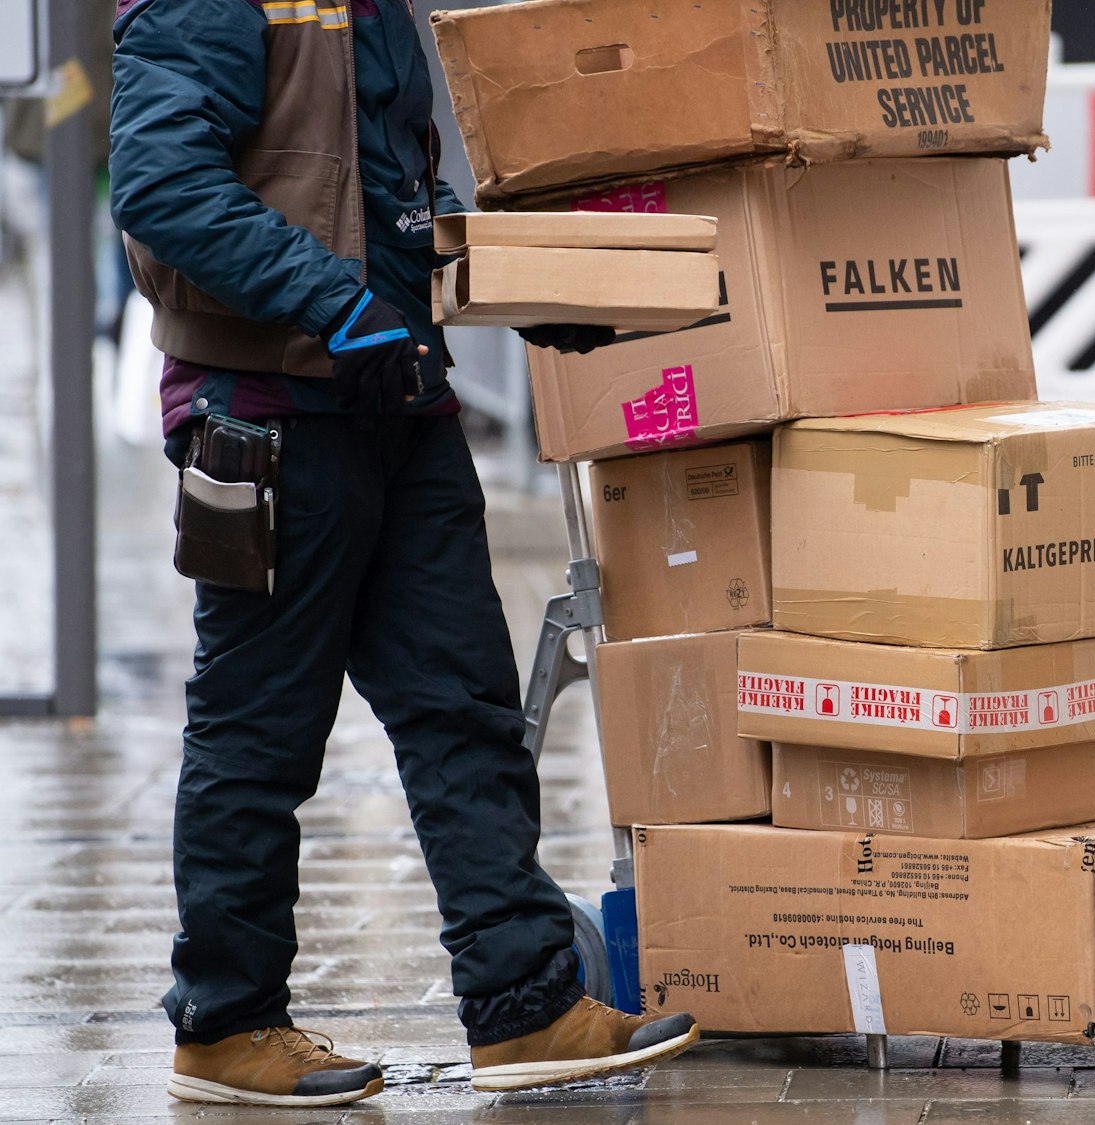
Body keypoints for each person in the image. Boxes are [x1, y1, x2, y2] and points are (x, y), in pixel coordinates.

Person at [108, 0, 695, 1107]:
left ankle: (526, 1008)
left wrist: (519, 288)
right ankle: (225, 1026)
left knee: (462, 706)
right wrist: (336, 307)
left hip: (395, 400)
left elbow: (380, 200)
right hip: (272, 412)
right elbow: (164, 189)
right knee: (259, 729)